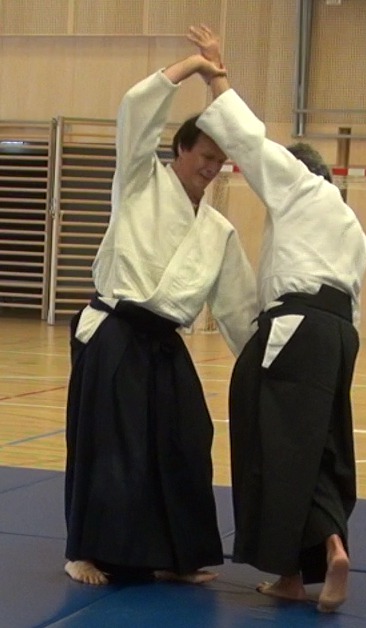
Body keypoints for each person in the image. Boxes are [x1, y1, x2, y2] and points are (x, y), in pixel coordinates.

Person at [188, 25, 366, 612]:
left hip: (296, 329)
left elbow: (248, 140)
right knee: (317, 446)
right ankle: (319, 556)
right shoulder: (351, 226)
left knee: (272, 445)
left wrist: (217, 76)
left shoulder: (299, 186)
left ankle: (298, 566)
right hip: (339, 337)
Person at [64, 52, 258, 586]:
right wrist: (195, 66)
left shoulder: (217, 230)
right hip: (115, 330)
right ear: (181, 149)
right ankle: (85, 551)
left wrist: (267, 364)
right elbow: (135, 108)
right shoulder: (140, 181)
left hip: (163, 341)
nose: (212, 168)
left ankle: (176, 555)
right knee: (110, 446)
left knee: (187, 438)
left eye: (220, 161)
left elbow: (239, 308)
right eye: (206, 156)